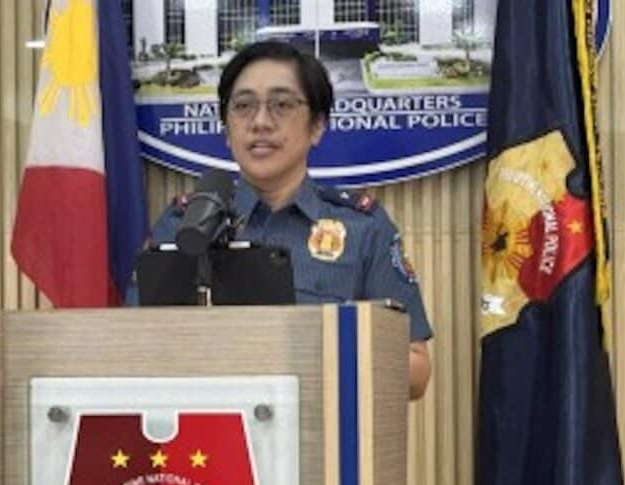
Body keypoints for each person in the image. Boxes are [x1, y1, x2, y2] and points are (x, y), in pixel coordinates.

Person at [140, 41, 433, 399]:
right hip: (208, 445)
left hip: (323, 441)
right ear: (226, 131)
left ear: (317, 126)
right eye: (243, 106)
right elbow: (132, 345)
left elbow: (417, 369)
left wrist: (321, 353)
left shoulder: (362, 227)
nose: (260, 122)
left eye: (281, 105)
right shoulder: (185, 224)